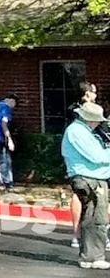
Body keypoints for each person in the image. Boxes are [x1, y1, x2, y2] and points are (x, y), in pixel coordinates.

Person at [63, 101, 110, 269]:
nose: (98, 123)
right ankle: (94, 257)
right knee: (98, 219)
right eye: (97, 120)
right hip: (90, 179)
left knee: (91, 218)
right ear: (89, 119)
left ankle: (89, 257)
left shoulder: (82, 131)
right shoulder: (78, 132)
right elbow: (97, 157)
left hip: (90, 178)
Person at [70, 82, 101, 248]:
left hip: (77, 155)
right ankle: (79, 234)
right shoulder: (81, 112)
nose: (95, 95)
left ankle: (79, 235)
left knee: (81, 192)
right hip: (84, 156)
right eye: (93, 92)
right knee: (82, 192)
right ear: (86, 94)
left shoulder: (74, 110)